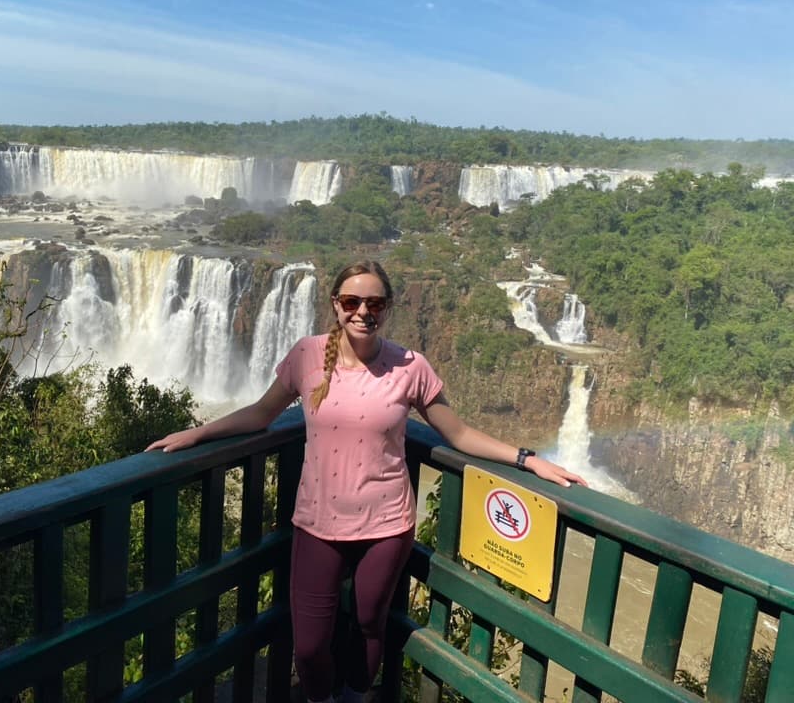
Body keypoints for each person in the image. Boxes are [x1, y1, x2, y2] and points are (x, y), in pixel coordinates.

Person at [147, 260, 587, 703]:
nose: (363, 311)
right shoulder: (307, 355)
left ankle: (355, 697)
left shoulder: (411, 367)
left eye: (374, 302)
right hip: (318, 523)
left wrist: (528, 460)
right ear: (335, 304)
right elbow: (262, 414)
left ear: (388, 307)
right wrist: (197, 433)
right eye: (352, 301)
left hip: (387, 525)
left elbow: (458, 433)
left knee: (369, 624)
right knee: (312, 644)